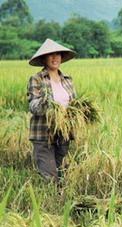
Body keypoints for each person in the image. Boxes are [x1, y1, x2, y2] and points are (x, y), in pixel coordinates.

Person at [27, 38, 77, 183]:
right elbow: (33, 106)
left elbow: (73, 104)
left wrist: (80, 111)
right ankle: (49, 203)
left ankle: (61, 202)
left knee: (62, 174)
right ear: (44, 58)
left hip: (63, 133)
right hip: (43, 133)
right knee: (50, 176)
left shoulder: (67, 80)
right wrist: (46, 104)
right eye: (51, 54)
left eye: (58, 54)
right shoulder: (37, 79)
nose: (55, 58)